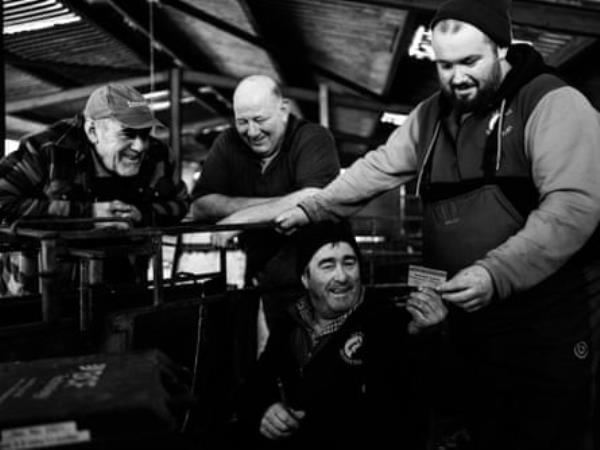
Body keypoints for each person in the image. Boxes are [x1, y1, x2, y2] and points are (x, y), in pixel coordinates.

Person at [276, 0, 600, 449]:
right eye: (445, 65)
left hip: (544, 323)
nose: (457, 77)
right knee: (473, 427)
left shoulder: (551, 103)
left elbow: (573, 209)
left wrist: (494, 273)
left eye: (470, 61)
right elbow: (380, 167)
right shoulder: (431, 114)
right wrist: (318, 207)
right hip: (466, 324)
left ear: (502, 50)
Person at [228, 221, 446, 449]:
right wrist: (265, 410)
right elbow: (256, 383)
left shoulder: (386, 319)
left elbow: (418, 392)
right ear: (305, 277)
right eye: (327, 265)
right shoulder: (292, 321)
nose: (342, 276)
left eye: (349, 263)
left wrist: (425, 335)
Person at [0, 83, 189, 293]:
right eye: (128, 133)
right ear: (92, 130)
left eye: (145, 133)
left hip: (126, 291)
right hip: (42, 296)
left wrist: (140, 214)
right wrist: (89, 215)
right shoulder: (46, 151)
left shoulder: (158, 155)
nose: (140, 146)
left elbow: (181, 203)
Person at [191, 74, 340, 326]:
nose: (252, 131)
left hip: (314, 276)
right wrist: (279, 206)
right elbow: (200, 205)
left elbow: (315, 197)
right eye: (242, 122)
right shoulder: (227, 142)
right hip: (256, 276)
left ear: (283, 110)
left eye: (260, 120)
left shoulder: (314, 138)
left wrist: (242, 218)